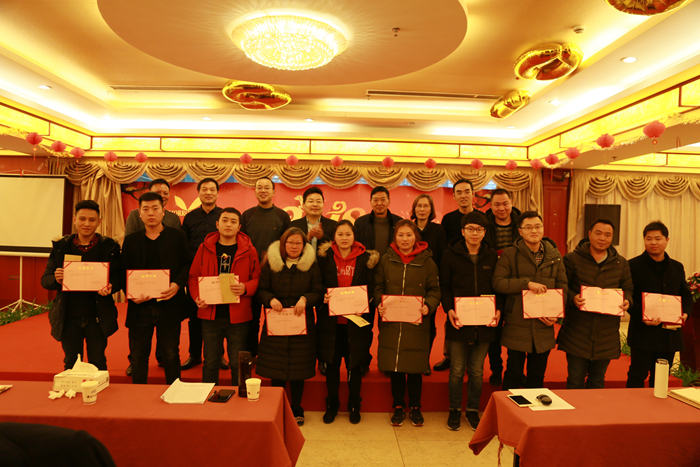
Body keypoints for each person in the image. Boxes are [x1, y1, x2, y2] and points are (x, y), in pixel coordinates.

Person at [41, 200, 121, 371]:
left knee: (98, 361)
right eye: (82, 219)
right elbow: (45, 279)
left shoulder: (109, 247)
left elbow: (119, 277)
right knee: (71, 362)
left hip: (98, 316)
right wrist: (56, 279)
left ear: (99, 222)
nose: (86, 224)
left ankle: (99, 389)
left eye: (92, 220)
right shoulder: (61, 247)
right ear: (74, 219)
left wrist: (111, 286)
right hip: (68, 316)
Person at [375, 219, 441, 427]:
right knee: (395, 367)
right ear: (395, 237)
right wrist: (379, 303)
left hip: (416, 322)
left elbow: (435, 290)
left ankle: (415, 406)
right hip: (392, 322)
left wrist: (428, 305)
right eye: (401, 235)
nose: (405, 239)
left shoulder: (427, 262)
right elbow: (377, 287)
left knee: (414, 367)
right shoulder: (386, 259)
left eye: (409, 235)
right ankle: (398, 405)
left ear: (416, 237)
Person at [492, 211, 568, 391]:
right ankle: (508, 407)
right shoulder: (510, 254)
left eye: (537, 226)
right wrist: (526, 284)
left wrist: (556, 315)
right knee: (513, 372)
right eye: (528, 227)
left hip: (543, 324)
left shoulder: (555, 255)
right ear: (520, 231)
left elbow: (563, 287)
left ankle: (534, 408)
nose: (534, 231)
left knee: (537, 375)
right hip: (517, 323)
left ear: (543, 228)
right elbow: (498, 283)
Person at [255, 227, 323, 426]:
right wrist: (270, 299)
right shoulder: (272, 264)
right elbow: (261, 290)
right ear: (283, 244)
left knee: (298, 369)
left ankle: (296, 407)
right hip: (276, 324)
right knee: (276, 368)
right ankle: (278, 406)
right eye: (290, 242)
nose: (294, 246)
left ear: (304, 245)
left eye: (298, 243)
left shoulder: (311, 266)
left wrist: (305, 299)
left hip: (301, 324)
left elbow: (318, 291)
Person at [440, 211, 501, 431]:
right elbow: (445, 286)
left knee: (476, 370)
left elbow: (498, 287)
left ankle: (473, 410)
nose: (474, 233)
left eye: (479, 230)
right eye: (470, 229)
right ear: (463, 231)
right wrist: (449, 309)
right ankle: (455, 409)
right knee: (457, 369)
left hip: (485, 322)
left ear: (485, 232)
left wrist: (499, 310)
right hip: (459, 319)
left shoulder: (492, 256)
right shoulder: (450, 254)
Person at [121, 192, 190, 384]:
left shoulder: (178, 236)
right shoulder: (131, 240)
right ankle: (138, 394)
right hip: (140, 307)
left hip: (169, 305)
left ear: (163, 211)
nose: (150, 213)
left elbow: (187, 264)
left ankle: (174, 391)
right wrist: (131, 293)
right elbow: (123, 270)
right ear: (139, 213)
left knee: (171, 353)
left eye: (155, 208)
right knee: (138, 355)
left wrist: (177, 284)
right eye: (145, 209)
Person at [188, 207, 261, 386]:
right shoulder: (204, 248)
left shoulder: (249, 250)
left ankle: (240, 397)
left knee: (238, 363)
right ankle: (209, 397)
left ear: (239, 227)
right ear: (217, 224)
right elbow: (193, 276)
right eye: (225, 220)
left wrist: (245, 288)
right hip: (210, 315)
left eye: (233, 221)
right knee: (210, 362)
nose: (228, 224)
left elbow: (257, 278)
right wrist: (197, 297)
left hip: (238, 316)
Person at [557, 219, 633, 389]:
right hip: (577, 331)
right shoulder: (572, 259)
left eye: (607, 235)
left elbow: (628, 288)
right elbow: (562, 287)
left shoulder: (621, 263)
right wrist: (573, 298)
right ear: (590, 234)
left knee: (597, 381)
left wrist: (627, 300)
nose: (602, 238)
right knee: (575, 380)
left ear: (612, 238)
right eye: (598, 233)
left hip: (606, 332)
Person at [317, 220, 379, 424]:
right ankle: (332, 404)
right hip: (331, 323)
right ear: (334, 237)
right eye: (340, 234)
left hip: (356, 323)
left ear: (354, 236)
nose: (344, 238)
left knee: (355, 365)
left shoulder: (366, 259)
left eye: (348, 234)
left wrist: (364, 303)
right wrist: (323, 296)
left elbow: (372, 287)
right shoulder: (324, 257)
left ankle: (354, 404)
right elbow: (317, 283)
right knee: (332, 366)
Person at [626, 221, 692, 387]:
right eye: (649, 239)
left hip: (669, 334)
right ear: (644, 240)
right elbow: (628, 296)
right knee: (637, 375)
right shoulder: (633, 265)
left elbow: (685, 294)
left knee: (661, 378)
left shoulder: (677, 267)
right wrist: (642, 316)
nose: (653, 242)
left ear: (667, 240)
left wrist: (685, 313)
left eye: (658, 238)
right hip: (643, 332)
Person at [241, 176, 291, 361]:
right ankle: (251, 355)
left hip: (275, 276)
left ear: (273, 191)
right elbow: (241, 244)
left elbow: (287, 246)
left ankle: (272, 356)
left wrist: (272, 256)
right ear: (255, 191)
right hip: (251, 275)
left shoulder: (282, 216)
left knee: (275, 316)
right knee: (251, 320)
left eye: (267, 187)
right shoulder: (247, 215)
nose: (263, 190)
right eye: (259, 187)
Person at [181, 178, 224, 371]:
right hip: (195, 275)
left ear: (217, 193)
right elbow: (184, 246)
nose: (208, 193)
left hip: (218, 274)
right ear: (198, 193)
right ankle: (195, 354)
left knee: (219, 317)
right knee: (195, 317)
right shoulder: (190, 218)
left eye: (212, 189)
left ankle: (219, 355)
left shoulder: (224, 215)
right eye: (204, 189)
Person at [435, 178, 474, 372]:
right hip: (454, 274)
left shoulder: (481, 217)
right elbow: (444, 248)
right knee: (451, 315)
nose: (463, 195)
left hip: (475, 273)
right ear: (454, 196)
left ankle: (470, 360)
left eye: (467, 191)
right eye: (459, 192)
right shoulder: (448, 219)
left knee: (474, 316)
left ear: (473, 194)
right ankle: (449, 356)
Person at [483, 188, 521, 386]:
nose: (501, 208)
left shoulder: (522, 223)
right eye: (497, 204)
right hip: (492, 284)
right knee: (494, 332)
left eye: (505, 203)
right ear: (491, 205)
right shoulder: (484, 224)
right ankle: (496, 369)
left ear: (511, 203)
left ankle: (514, 371)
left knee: (517, 331)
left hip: (517, 285)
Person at [410, 194, 446, 375]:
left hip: (429, 283)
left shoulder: (438, 230)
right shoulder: (408, 228)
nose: (422, 209)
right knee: (409, 323)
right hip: (408, 282)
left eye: (426, 206)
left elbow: (442, 257)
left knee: (428, 324)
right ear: (414, 209)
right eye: (419, 206)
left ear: (431, 210)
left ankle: (424, 360)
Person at [354, 186, 402, 254]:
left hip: (393, 260)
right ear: (370, 202)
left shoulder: (399, 222)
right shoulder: (360, 222)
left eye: (383, 200)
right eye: (375, 200)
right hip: (367, 260)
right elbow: (356, 248)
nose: (379, 203)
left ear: (389, 201)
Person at [289, 186, 337, 254]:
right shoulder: (294, 226)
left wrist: (323, 237)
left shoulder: (334, 225)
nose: (315, 204)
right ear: (303, 205)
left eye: (318, 201)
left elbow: (338, 248)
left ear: (323, 204)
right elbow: (289, 248)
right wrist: (307, 239)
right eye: (311, 201)